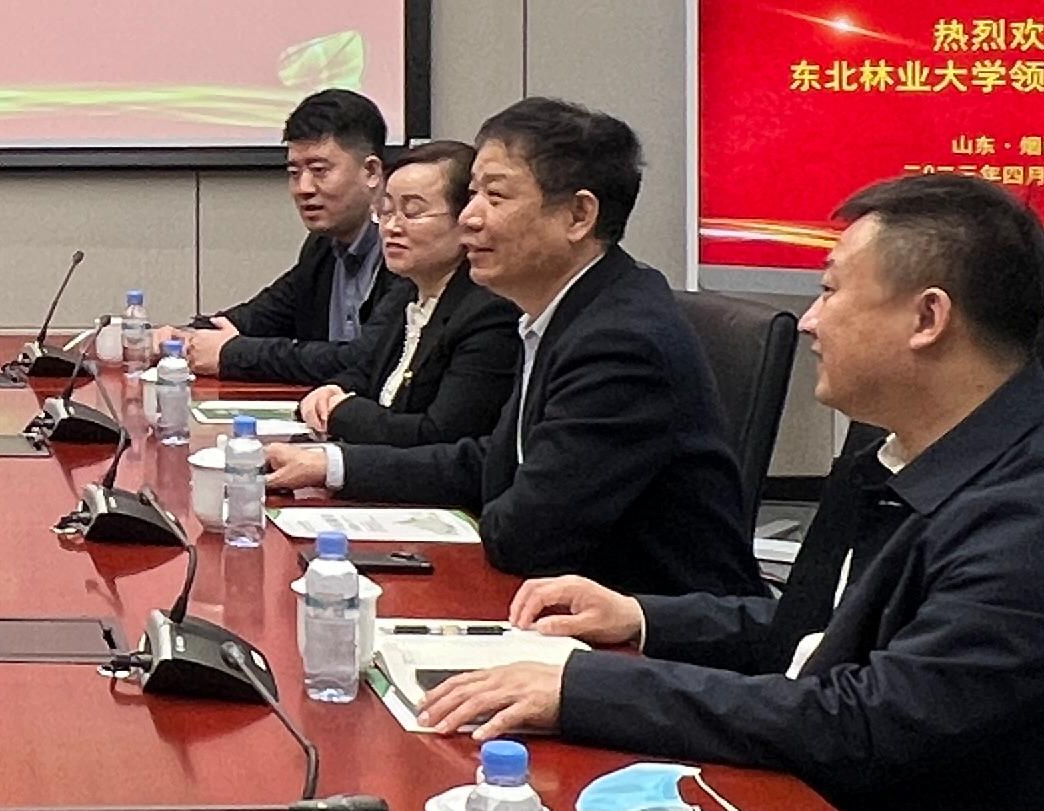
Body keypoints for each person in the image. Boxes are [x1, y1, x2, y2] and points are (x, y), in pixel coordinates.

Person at [413, 171, 1044, 811]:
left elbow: (864, 725)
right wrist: (641, 619)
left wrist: (585, 690)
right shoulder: (907, 449)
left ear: (928, 318)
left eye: (831, 290)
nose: (811, 320)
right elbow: (815, 638)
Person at [258, 98, 755, 607]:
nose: (469, 218)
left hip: (636, 625)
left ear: (579, 215)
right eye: (472, 193)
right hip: (555, 601)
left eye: (495, 197)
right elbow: (493, 462)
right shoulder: (565, 310)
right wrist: (333, 464)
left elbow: (527, 533)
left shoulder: (619, 341)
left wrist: (481, 497)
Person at [290, 138, 522, 452]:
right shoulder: (407, 293)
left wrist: (343, 414)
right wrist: (333, 391)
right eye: (386, 212)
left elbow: (439, 436)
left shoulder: (488, 312)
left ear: (464, 220)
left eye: (412, 212)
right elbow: (367, 372)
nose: (392, 227)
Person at [184, 88, 395, 383]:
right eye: (294, 173)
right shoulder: (322, 247)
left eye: (319, 170)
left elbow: (364, 360)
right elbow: (260, 317)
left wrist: (231, 353)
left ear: (371, 171)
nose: (303, 188)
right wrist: (184, 338)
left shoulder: (403, 249)